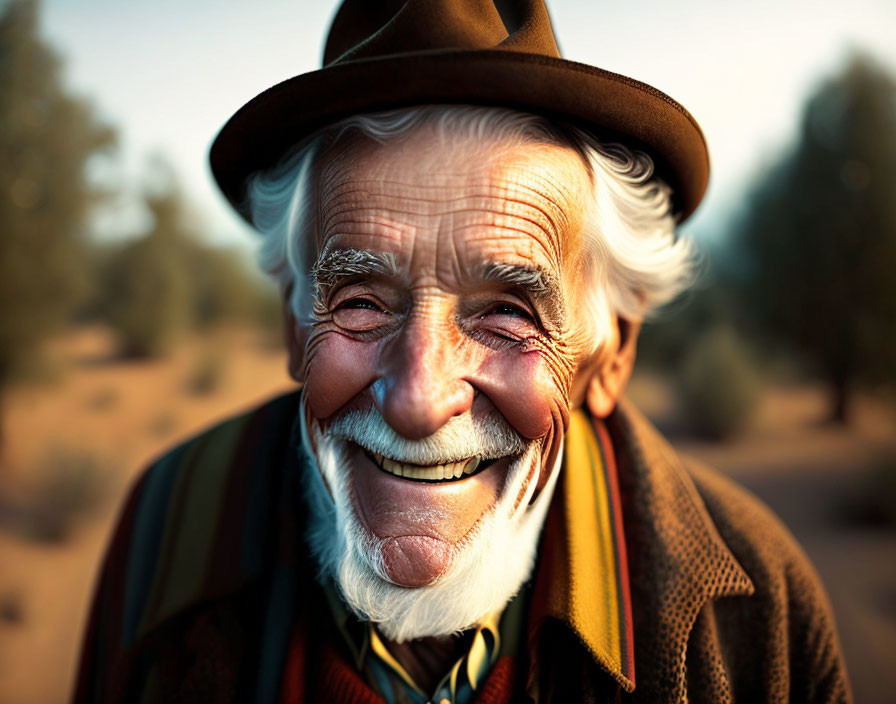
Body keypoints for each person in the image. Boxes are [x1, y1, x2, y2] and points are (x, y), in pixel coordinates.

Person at [73, 1, 852, 702]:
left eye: (507, 314)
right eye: (361, 302)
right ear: (292, 326)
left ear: (611, 354)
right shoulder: (169, 527)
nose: (417, 398)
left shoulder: (758, 609)